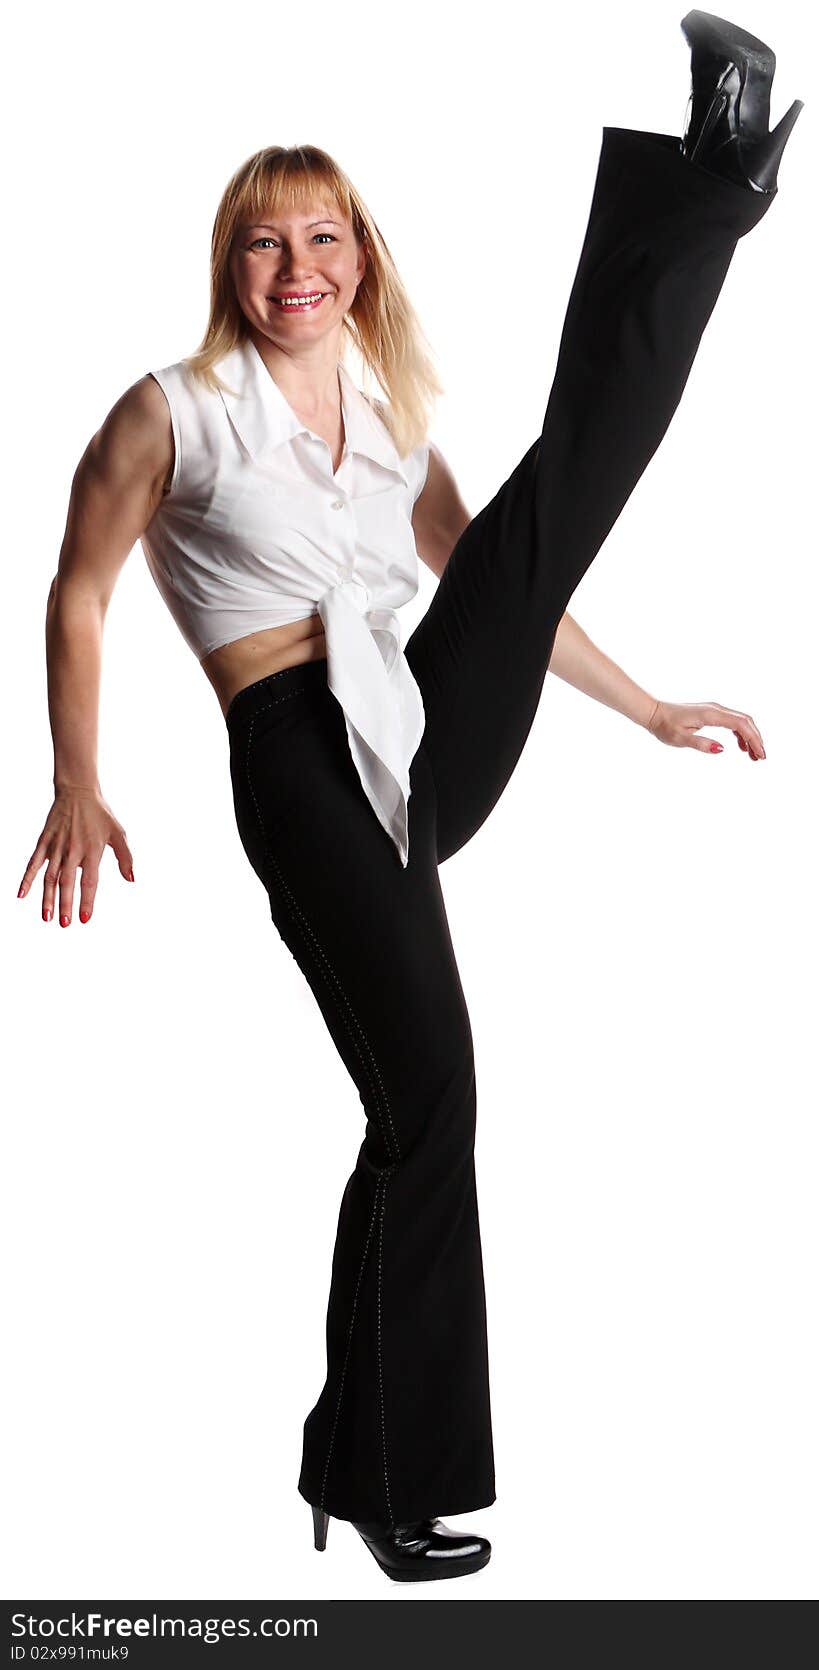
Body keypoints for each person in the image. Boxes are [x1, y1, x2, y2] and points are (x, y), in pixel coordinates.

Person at [18, 10, 802, 1584]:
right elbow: (79, 590)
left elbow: (501, 572)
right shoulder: (172, 409)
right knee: (429, 1101)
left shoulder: (384, 416)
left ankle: (714, 166)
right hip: (299, 757)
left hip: (414, 723)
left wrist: (649, 706)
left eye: (323, 237)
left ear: (360, 259)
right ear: (228, 264)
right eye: (263, 243)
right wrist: (77, 780)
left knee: (551, 494)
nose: (295, 267)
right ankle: (379, 1473)